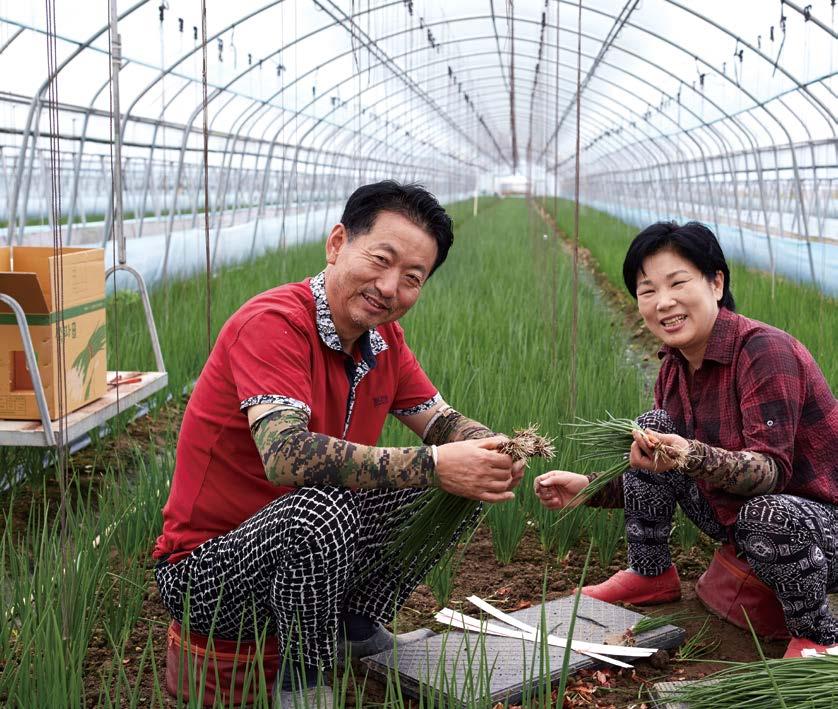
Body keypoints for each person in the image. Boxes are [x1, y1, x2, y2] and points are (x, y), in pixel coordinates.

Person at [152, 181, 524, 706]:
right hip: (206, 575)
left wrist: (492, 449)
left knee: (467, 475)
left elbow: (441, 423)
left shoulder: (383, 341)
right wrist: (437, 462)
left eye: (412, 278)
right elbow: (286, 455)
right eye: (380, 260)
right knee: (324, 504)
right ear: (337, 244)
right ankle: (303, 681)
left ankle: (355, 625)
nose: (389, 287)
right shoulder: (274, 323)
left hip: (310, 558)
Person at [535, 221, 838, 658]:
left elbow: (770, 473)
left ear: (716, 283)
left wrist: (689, 455)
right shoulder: (674, 368)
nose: (664, 302)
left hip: (820, 523)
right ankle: (651, 573)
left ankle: (818, 635)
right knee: (653, 427)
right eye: (648, 290)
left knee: (766, 514)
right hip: (746, 522)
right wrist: (588, 488)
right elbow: (656, 469)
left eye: (678, 283)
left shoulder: (763, 351)